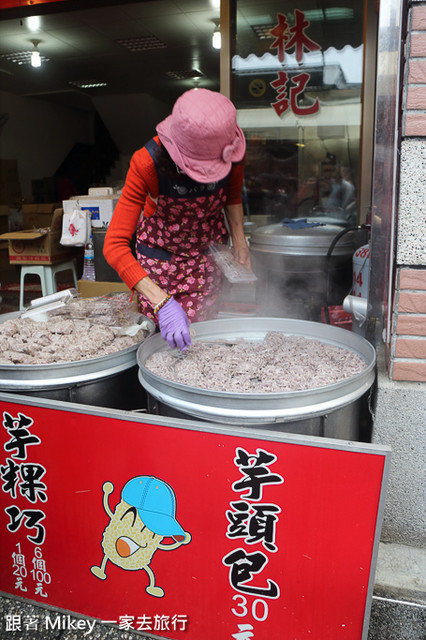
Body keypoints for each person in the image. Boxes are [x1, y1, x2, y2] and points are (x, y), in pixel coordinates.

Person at [103, 88, 250, 351]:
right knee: (159, 349)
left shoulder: (230, 150)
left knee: (200, 346)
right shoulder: (146, 163)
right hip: (159, 268)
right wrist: (162, 302)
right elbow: (114, 245)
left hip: (206, 264)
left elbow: (232, 197)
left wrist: (240, 241)